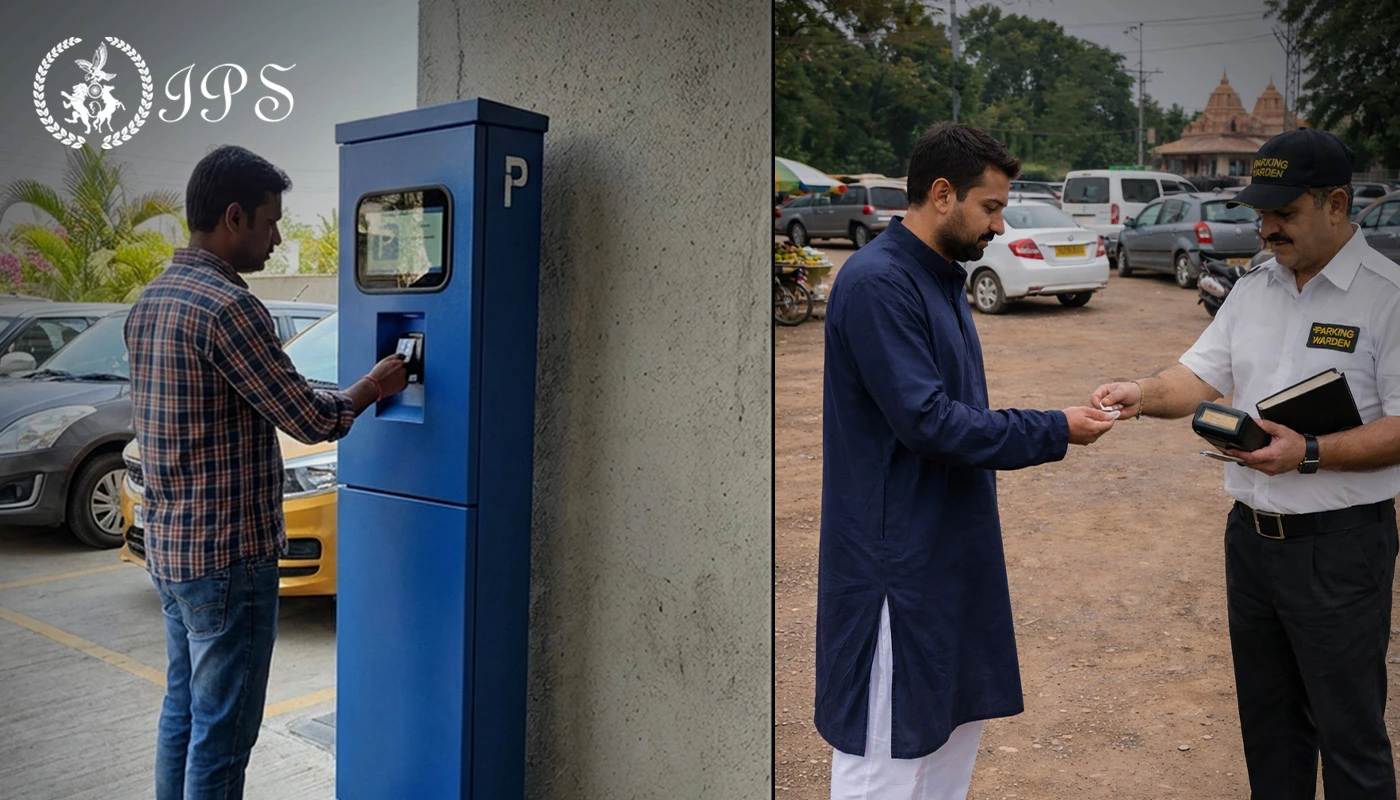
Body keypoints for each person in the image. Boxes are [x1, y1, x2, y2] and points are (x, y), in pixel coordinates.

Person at [1092, 128, 1400, 800]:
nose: (1267, 229)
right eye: (1261, 213)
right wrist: (1140, 395)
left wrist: (1309, 452)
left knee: (1350, 738)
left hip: (1340, 552)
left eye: (1285, 214)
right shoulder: (1256, 287)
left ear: (1338, 205)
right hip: (1253, 545)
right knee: (1271, 733)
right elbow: (1198, 375)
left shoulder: (1387, 295)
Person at [816, 122, 1118, 800]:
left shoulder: (941, 279)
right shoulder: (878, 284)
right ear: (943, 194)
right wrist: (1056, 428)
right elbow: (929, 423)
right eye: (991, 207)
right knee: (887, 762)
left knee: (947, 753)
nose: (1000, 225)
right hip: (893, 575)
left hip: (949, 557)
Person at [125, 145, 409, 799]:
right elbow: (312, 418)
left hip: (173, 553)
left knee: (184, 714)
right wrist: (375, 384)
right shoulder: (229, 308)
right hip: (228, 558)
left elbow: (243, 393)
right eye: (270, 222)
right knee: (222, 740)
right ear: (233, 217)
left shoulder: (152, 303)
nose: (277, 239)